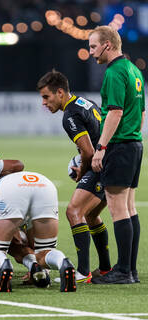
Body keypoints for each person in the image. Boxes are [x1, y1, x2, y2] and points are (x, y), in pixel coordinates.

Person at [36, 70, 111, 283]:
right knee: (91, 215)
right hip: (111, 162)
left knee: (73, 211)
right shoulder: (84, 102)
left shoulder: (70, 114)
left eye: (46, 97)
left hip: (100, 165)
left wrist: (82, 172)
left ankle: (83, 272)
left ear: (60, 92)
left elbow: (87, 152)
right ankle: (105, 268)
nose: (43, 102)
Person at [88, 25, 145, 284]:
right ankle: (130, 271)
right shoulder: (135, 70)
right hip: (135, 143)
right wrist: (133, 134)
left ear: (107, 45)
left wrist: (101, 148)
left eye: (93, 46)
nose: (91, 52)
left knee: (117, 207)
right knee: (130, 207)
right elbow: (141, 112)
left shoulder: (114, 72)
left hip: (120, 146)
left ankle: (122, 271)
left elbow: (114, 112)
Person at [0, 171, 76, 292]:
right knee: (45, 251)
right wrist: (40, 268)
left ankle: (4, 265)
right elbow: (33, 245)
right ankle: (63, 263)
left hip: (10, 191)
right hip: (44, 184)